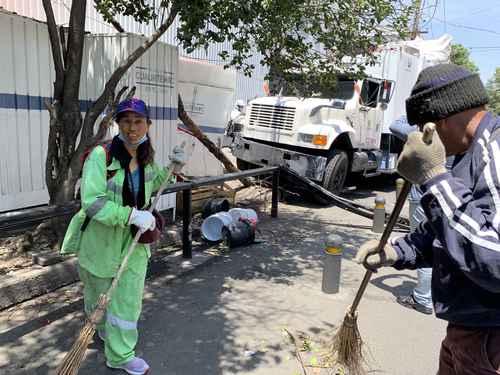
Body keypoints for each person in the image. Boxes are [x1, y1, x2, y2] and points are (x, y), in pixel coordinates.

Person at [355, 64, 500, 374]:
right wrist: (395, 251)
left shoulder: (496, 151)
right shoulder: (465, 155)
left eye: (422, 127)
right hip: (466, 328)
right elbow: (447, 232)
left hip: (491, 339)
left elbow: (494, 258)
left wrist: (434, 178)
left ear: (440, 121)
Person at [61, 98, 184, 375]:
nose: (132, 128)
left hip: (133, 244)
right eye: (126, 121)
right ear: (117, 124)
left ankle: (120, 355)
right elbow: (92, 202)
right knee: (97, 295)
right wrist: (130, 215)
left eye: (138, 121)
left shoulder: (144, 158)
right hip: (100, 243)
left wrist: (172, 169)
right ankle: (103, 330)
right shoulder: (100, 156)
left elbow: (152, 187)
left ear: (147, 125)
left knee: (127, 301)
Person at [389, 117, 433, 315]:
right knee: (437, 245)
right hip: (444, 199)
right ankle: (431, 292)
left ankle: (423, 298)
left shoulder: (428, 135)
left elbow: (395, 124)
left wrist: (416, 112)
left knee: (422, 246)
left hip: (423, 199)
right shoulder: (453, 135)